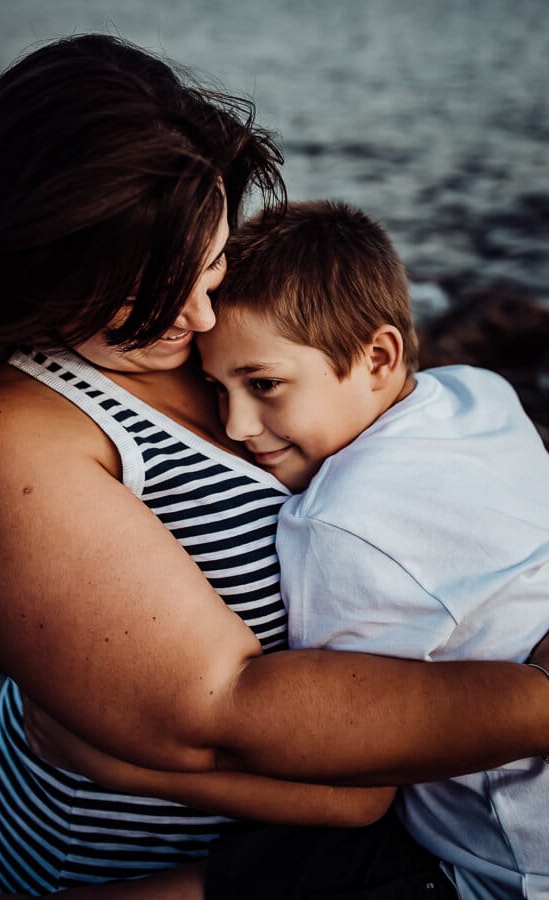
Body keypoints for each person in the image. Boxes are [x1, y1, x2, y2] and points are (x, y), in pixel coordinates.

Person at [0, 34, 549, 900]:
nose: (199, 314)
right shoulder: (16, 435)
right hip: (125, 864)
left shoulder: (200, 331)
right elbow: (228, 715)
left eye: (213, 261)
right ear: (40, 258)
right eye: (150, 290)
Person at [193, 200, 549, 898]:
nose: (236, 424)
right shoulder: (474, 391)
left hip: (499, 865)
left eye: (263, 385)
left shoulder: (337, 525)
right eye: (215, 388)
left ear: (378, 357)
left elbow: (338, 756)